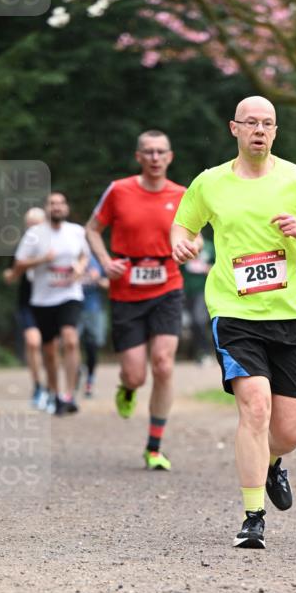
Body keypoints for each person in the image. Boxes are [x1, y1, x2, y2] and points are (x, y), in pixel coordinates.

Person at [171, 96, 296, 549]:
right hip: (234, 312)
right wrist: (182, 244)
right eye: (251, 122)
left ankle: (271, 463)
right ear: (234, 128)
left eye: (267, 123)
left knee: (288, 431)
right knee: (255, 408)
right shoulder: (210, 183)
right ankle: (253, 518)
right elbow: (183, 225)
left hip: (289, 317)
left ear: (276, 131)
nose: (259, 130)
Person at [86, 130, 198, 471]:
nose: (153, 157)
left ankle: (154, 447)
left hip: (167, 286)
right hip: (126, 292)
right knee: (135, 375)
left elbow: (195, 234)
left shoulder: (182, 194)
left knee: (163, 364)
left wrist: (188, 248)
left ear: (169, 157)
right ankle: (128, 387)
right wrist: (105, 263)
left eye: (160, 152)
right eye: (147, 152)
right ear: (138, 157)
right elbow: (91, 229)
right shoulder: (119, 190)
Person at [13, 192, 90, 416]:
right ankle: (55, 394)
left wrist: (80, 267)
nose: (56, 207)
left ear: (66, 207)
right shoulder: (34, 235)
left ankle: (68, 394)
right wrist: (42, 260)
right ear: (46, 208)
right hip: (42, 300)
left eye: (60, 203)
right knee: (49, 351)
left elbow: (84, 256)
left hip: (70, 295)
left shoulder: (76, 231)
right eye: (52, 204)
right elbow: (18, 265)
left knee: (71, 339)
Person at [4, 207, 48, 409]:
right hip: (28, 302)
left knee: (51, 347)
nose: (32, 228)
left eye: (36, 224)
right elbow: (10, 277)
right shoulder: (20, 249)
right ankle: (38, 385)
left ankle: (54, 386)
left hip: (52, 303)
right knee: (32, 343)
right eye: (29, 225)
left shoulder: (55, 246)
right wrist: (13, 272)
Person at [78, 253, 109, 397]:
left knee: (92, 346)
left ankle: (90, 380)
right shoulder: (69, 257)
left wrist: (97, 279)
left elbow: (109, 283)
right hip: (73, 307)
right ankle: (76, 373)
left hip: (93, 308)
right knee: (72, 344)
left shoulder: (96, 260)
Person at [181, 235, 215, 364]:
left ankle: (205, 352)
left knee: (198, 320)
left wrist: (206, 268)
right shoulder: (181, 243)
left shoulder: (209, 246)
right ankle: (195, 353)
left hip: (203, 290)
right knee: (188, 323)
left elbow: (220, 266)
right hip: (184, 291)